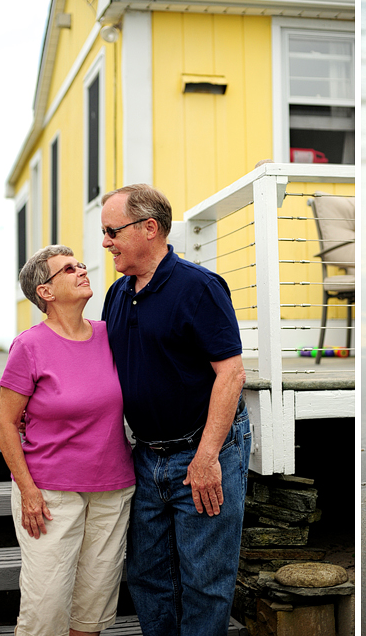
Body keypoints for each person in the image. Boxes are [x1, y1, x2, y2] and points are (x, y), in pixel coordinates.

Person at [100, 184, 249, 636]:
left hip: (202, 451)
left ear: (149, 228)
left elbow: (231, 374)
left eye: (111, 231)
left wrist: (207, 458)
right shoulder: (116, 294)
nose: (105, 241)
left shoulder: (199, 287)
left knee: (205, 580)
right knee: (147, 577)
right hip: (146, 456)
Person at [0, 246, 136, 635]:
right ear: (46, 291)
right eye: (68, 269)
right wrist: (28, 490)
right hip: (49, 493)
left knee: (92, 608)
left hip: (112, 488)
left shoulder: (111, 335)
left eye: (80, 264)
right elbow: (6, 424)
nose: (82, 270)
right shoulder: (29, 346)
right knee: (46, 608)